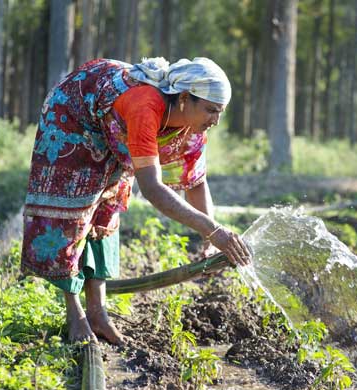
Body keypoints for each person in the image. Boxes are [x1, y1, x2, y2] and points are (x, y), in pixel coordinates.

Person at [20, 58, 252, 346]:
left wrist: (208, 238)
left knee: (108, 209)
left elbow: (195, 181)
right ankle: (75, 313)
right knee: (73, 210)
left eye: (220, 112)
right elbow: (153, 189)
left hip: (113, 126)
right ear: (183, 99)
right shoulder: (146, 106)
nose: (215, 120)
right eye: (210, 110)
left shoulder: (193, 130)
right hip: (74, 114)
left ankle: (98, 312)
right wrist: (214, 231)